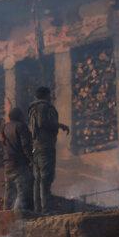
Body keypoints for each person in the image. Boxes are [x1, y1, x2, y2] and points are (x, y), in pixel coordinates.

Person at [28, 86, 70, 214]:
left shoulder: (32, 109)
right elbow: (42, 123)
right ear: (46, 95)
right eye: (49, 95)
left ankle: (38, 209)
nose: (51, 97)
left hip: (36, 147)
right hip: (45, 147)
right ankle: (46, 209)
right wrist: (59, 125)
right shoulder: (43, 107)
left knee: (38, 179)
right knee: (46, 178)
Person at [1, 107, 34, 211]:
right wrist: (31, 160)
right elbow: (26, 146)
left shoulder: (4, 127)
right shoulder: (21, 126)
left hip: (7, 164)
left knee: (9, 192)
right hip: (20, 164)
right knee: (22, 192)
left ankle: (5, 215)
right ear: (19, 116)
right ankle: (16, 217)